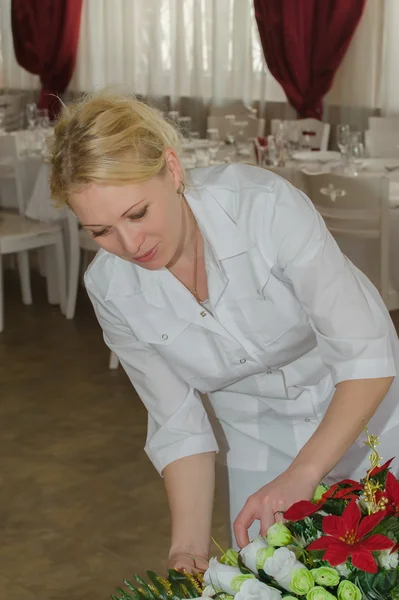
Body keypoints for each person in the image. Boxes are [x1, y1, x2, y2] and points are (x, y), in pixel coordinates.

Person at [50, 92, 399, 573]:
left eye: (137, 214)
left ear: (172, 170)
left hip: (371, 416)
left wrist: (305, 473)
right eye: (100, 232)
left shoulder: (262, 207)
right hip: (259, 436)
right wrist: (186, 552)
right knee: (273, 579)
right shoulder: (110, 288)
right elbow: (178, 425)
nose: (130, 245)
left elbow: (366, 356)